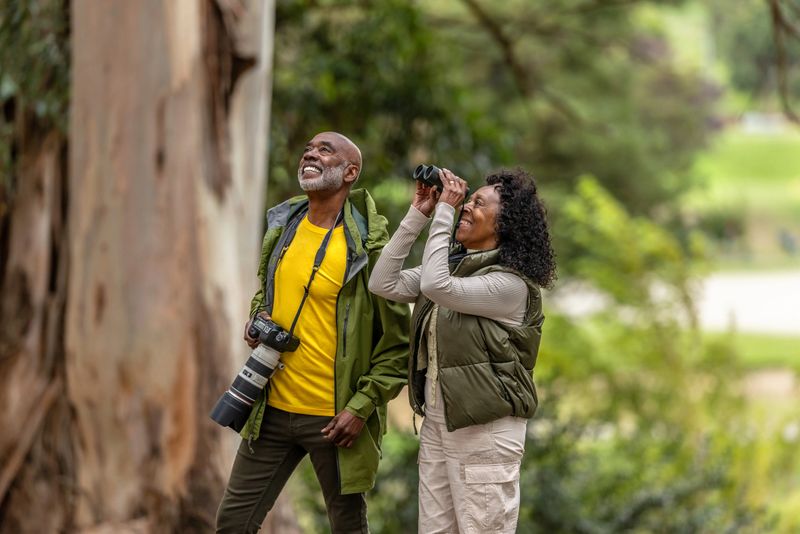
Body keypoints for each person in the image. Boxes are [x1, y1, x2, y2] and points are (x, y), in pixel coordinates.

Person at [216, 132, 410, 533]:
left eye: (325, 150)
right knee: (232, 523)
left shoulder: (369, 247)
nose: (310, 153)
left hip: (333, 418)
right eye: (308, 148)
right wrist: (258, 319)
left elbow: (398, 344)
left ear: (349, 172)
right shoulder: (283, 224)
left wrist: (361, 407)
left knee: (347, 528)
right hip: (271, 408)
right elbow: (266, 293)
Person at [369, 167, 556, 533]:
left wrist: (445, 212)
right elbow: (383, 282)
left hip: (486, 429)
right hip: (441, 421)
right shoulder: (457, 268)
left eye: (477, 203)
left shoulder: (511, 285)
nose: (466, 207)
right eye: (466, 200)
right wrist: (419, 213)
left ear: (505, 226)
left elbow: (437, 287)